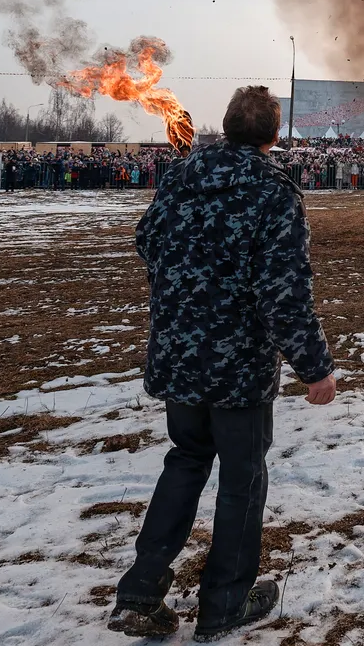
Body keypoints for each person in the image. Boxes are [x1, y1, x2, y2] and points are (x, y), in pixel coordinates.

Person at [110, 86, 337, 641]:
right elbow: (283, 289)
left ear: (228, 125)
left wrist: (187, 284)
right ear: (273, 135)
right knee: (241, 480)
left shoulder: (183, 177)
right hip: (237, 366)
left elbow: (146, 240)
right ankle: (225, 604)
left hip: (179, 353)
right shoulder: (272, 189)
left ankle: (140, 591)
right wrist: (315, 366)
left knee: (186, 460)